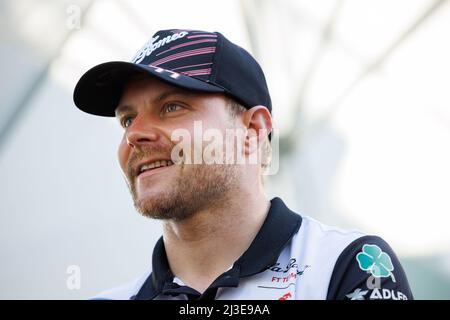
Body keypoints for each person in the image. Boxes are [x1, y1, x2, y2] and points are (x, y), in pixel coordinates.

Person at [73, 29, 413, 300]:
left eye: (172, 107)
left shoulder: (346, 266)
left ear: (252, 130)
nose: (136, 134)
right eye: (127, 120)